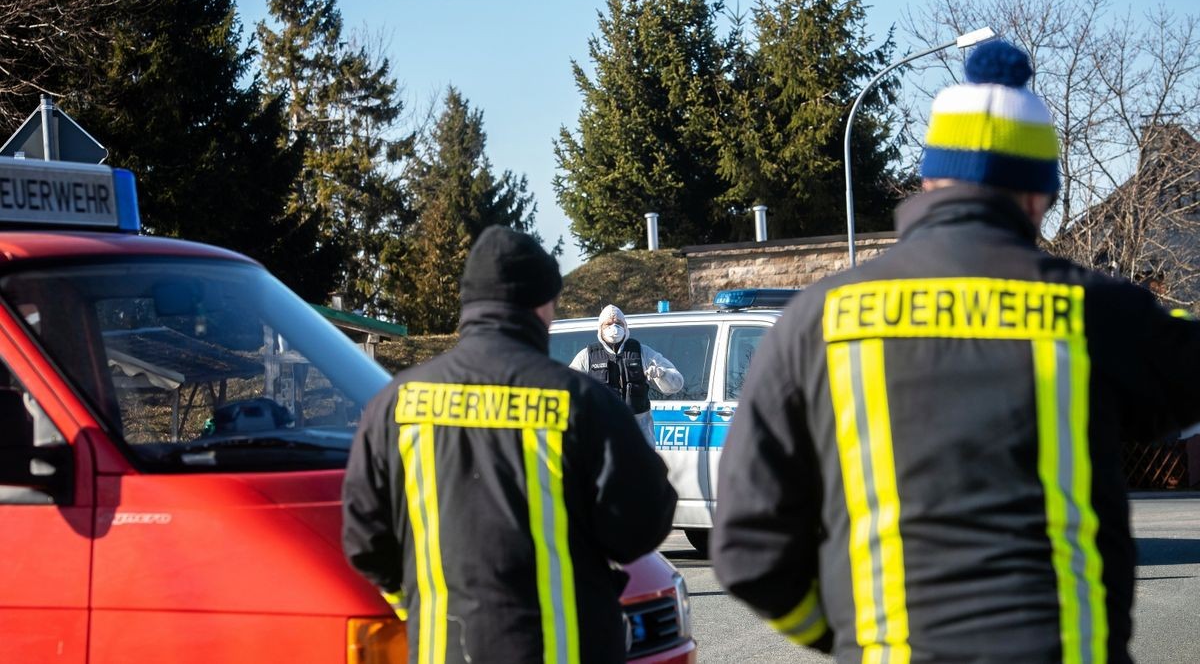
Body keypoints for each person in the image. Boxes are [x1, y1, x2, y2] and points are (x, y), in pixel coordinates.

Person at [712, 40, 1200, 663]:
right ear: (1038, 196)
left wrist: (844, 640)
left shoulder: (816, 319)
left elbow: (748, 549)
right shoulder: (1095, 312)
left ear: (929, 179)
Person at [343, 226, 677, 663]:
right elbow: (643, 524)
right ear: (542, 305)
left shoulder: (395, 404)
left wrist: (419, 605)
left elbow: (364, 540)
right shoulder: (582, 403)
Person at [569, 304, 684, 445]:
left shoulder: (642, 352)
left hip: (638, 436)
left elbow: (677, 384)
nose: (614, 327)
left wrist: (662, 375)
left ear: (625, 326)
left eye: (618, 323)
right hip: (602, 437)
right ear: (600, 328)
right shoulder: (587, 356)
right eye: (608, 324)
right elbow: (568, 388)